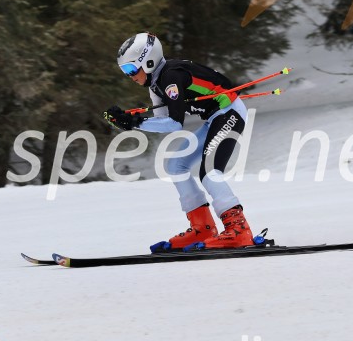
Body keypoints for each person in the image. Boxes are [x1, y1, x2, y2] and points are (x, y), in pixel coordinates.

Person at [103, 32, 253, 252]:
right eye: (125, 71)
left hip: (229, 111)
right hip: (215, 118)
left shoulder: (171, 77)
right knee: (176, 165)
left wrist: (134, 123)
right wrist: (130, 121)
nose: (130, 76)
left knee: (210, 172)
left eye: (131, 69)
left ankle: (239, 230)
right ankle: (202, 227)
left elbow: (174, 123)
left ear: (148, 61)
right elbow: (161, 120)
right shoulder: (156, 84)